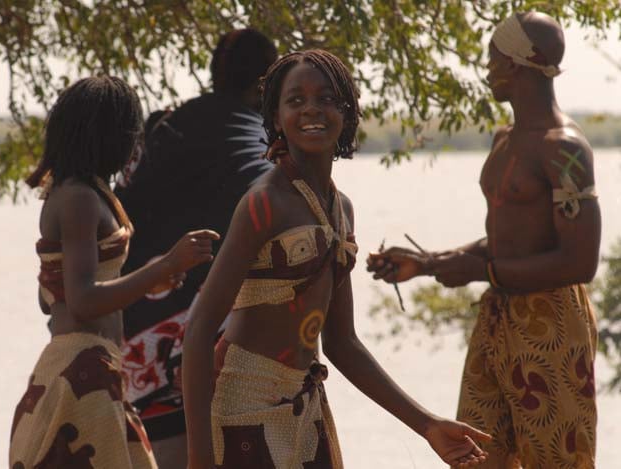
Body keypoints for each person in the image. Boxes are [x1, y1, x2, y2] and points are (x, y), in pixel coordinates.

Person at [182, 49, 491, 469]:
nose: (312, 109)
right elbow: (199, 329)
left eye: (327, 99)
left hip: (304, 405)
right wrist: (200, 457)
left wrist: (428, 425)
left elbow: (342, 344)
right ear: (274, 116)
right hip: (244, 410)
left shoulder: (339, 208)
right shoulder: (264, 204)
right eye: (296, 100)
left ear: (347, 111)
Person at [368, 12, 600, 468]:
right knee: (475, 456)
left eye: (493, 56)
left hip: (551, 325)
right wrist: (428, 263)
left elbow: (580, 261)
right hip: (498, 319)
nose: (487, 68)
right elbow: (506, 242)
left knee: (556, 461)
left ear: (517, 63)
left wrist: (482, 272)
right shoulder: (504, 139)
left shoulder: (564, 148)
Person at [8, 76, 219, 469]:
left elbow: (49, 297)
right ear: (110, 137)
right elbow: (84, 300)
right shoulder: (79, 199)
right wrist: (168, 264)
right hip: (80, 373)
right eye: (131, 134)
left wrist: (150, 277)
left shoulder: (86, 193)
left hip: (92, 367)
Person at [114, 28, 277, 468]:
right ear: (266, 84)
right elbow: (265, 194)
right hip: (211, 354)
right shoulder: (256, 141)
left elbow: (117, 216)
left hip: (138, 354)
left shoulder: (162, 129)